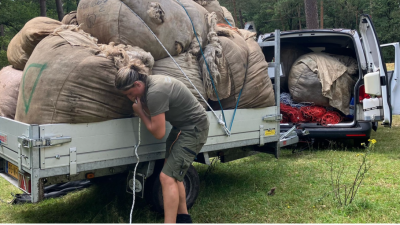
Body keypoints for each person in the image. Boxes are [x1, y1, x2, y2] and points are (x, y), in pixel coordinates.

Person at [115, 64, 209, 223]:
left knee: (166, 177)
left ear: (138, 84)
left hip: (194, 129)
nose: (129, 97)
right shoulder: (149, 85)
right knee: (172, 174)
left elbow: (158, 133)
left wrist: (139, 112)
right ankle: (184, 219)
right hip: (181, 128)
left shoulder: (155, 91)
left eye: (130, 93)